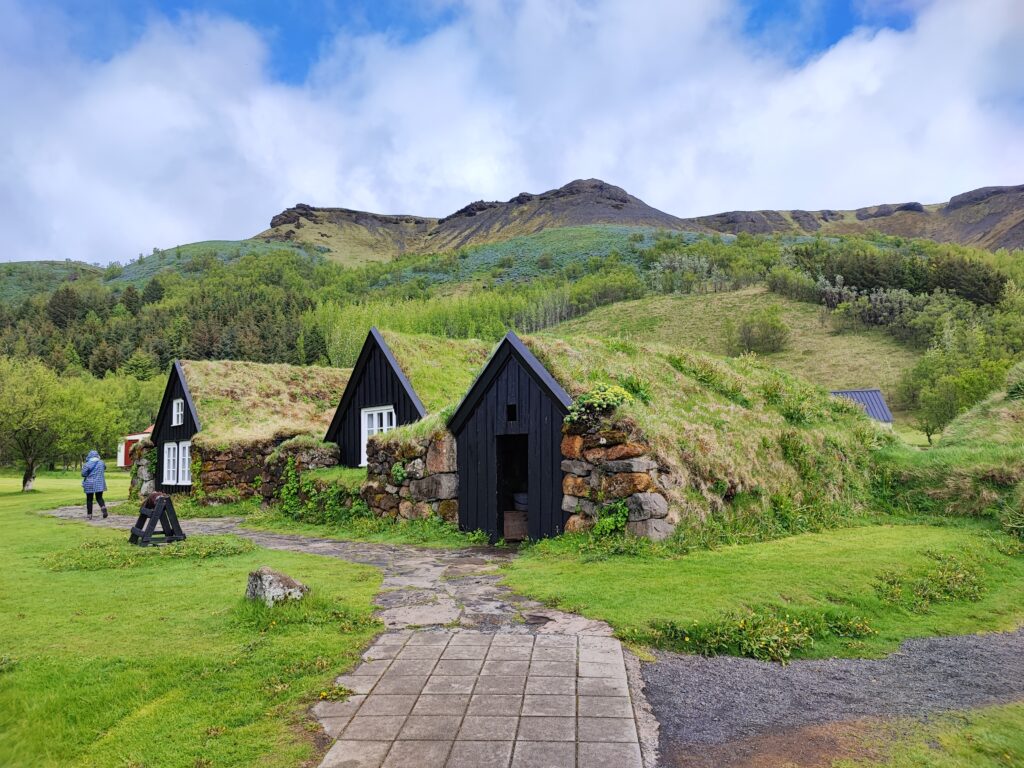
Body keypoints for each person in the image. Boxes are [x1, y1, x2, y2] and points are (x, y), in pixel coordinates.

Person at [81, 449, 108, 519]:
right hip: (99, 483)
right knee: (99, 497)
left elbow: (83, 474)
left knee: (89, 499)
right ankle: (103, 507)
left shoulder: (87, 464)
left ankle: (89, 515)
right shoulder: (101, 462)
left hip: (89, 483)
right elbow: (104, 468)